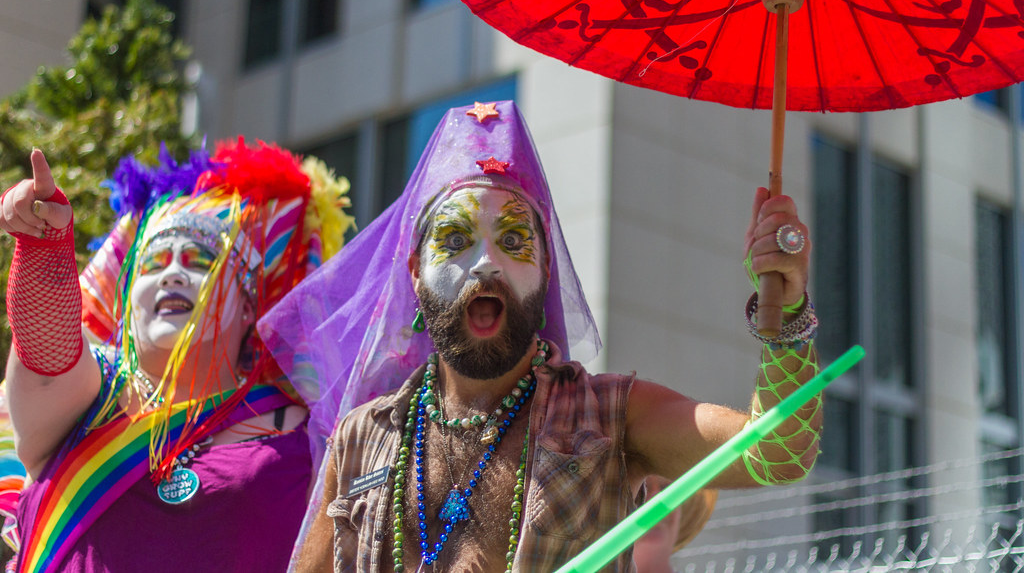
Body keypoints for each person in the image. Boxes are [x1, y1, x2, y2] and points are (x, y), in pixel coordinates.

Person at [259, 100, 822, 572]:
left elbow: (778, 450)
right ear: (413, 271)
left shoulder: (611, 416)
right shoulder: (363, 438)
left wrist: (789, 310)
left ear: (548, 269)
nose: (486, 266)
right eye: (454, 240)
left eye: (513, 240)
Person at [0, 140, 353, 573]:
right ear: (127, 300)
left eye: (199, 261)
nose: (172, 274)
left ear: (248, 307)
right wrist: (45, 246)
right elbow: (46, 359)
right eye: (153, 264)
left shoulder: (309, 432)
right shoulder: (91, 395)